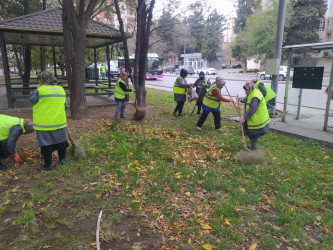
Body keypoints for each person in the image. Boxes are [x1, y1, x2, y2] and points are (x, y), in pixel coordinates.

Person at [29, 71, 69, 171]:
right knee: (61, 143)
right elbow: (65, 105)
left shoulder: (40, 90)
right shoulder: (61, 90)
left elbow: (31, 101)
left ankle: (48, 165)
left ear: (42, 80)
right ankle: (63, 161)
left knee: (46, 145)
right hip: (59, 122)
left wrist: (37, 88)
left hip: (44, 124)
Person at [237, 81, 270, 150]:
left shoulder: (256, 96)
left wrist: (244, 117)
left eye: (247, 90)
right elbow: (248, 98)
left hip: (258, 120)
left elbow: (252, 109)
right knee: (253, 134)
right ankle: (255, 145)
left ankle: (254, 148)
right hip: (256, 119)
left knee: (252, 134)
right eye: (245, 90)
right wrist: (241, 99)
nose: (246, 91)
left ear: (251, 89)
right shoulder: (252, 92)